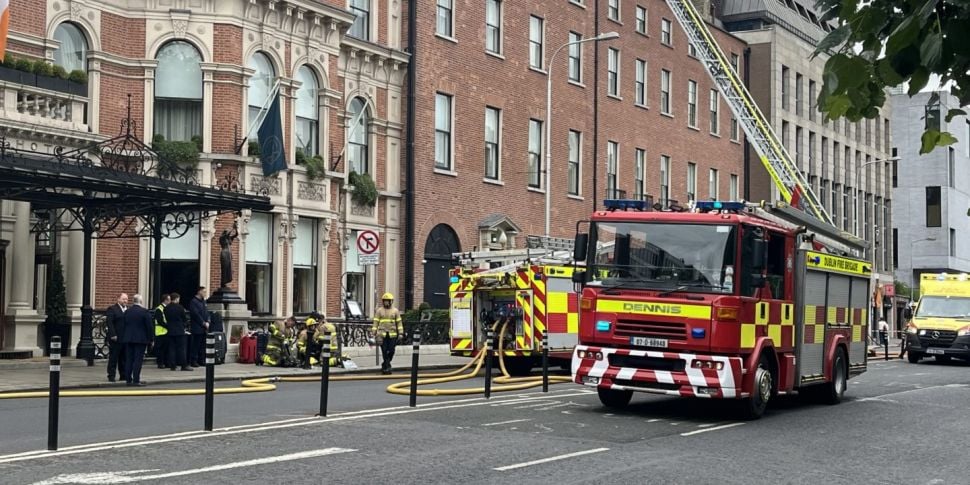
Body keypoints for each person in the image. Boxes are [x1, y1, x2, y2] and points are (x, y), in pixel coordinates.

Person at [122, 294, 154, 386]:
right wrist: (151, 339)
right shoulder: (144, 312)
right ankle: (136, 379)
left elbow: (124, 325)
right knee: (138, 360)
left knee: (129, 359)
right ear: (141, 301)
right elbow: (149, 327)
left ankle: (128, 379)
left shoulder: (127, 312)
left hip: (128, 338)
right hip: (140, 339)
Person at [372, 293, 404, 374]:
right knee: (384, 351)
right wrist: (374, 333)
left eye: (387, 301)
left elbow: (399, 323)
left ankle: (385, 364)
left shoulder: (395, 311)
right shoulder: (379, 311)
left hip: (392, 335)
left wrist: (400, 333)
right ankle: (387, 367)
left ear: (391, 302)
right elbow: (376, 322)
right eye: (385, 301)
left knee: (391, 350)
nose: (386, 303)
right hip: (381, 335)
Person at [164, 293, 192, 371]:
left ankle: (172, 365)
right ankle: (183, 365)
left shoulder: (166, 308)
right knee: (181, 349)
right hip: (179, 330)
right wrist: (184, 325)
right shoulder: (180, 307)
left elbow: (166, 318)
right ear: (176, 299)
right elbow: (184, 318)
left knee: (171, 348)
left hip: (170, 330)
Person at [105, 293, 129, 382]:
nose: (125, 301)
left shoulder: (128, 310)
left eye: (126, 299)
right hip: (116, 338)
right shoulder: (112, 309)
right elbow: (110, 323)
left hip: (125, 338)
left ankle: (123, 375)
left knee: (124, 358)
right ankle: (111, 375)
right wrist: (113, 334)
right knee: (113, 358)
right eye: (123, 299)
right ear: (118, 299)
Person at [188, 286, 210, 367]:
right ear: (199, 291)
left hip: (204, 328)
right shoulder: (193, 302)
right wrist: (203, 323)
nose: (205, 293)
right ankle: (193, 361)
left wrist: (208, 321)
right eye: (204, 292)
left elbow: (207, 312)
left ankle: (202, 360)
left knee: (203, 345)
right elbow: (195, 314)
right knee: (196, 345)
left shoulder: (204, 302)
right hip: (197, 327)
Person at [153, 294, 170, 369]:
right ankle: (160, 363)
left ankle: (165, 362)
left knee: (165, 349)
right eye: (169, 300)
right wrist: (168, 325)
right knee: (160, 349)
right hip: (160, 332)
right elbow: (159, 321)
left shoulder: (167, 308)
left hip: (166, 332)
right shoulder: (159, 309)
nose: (170, 301)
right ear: (165, 300)